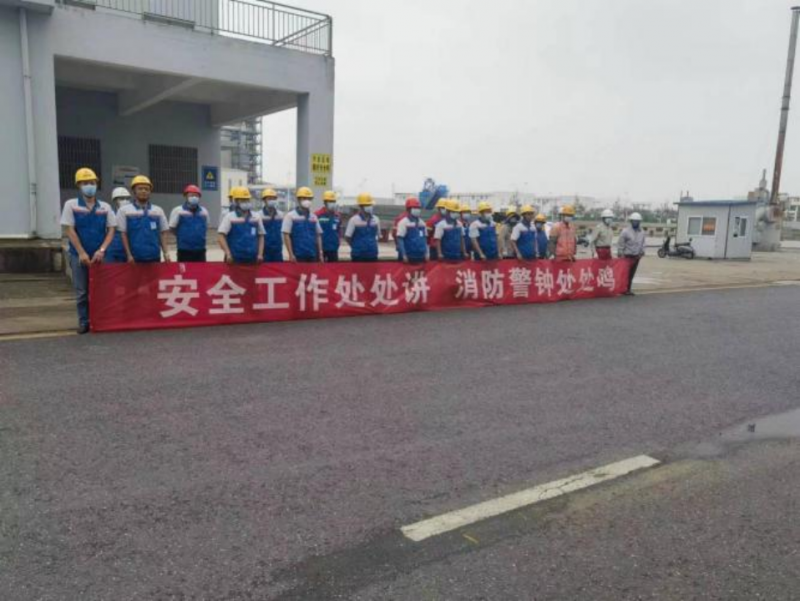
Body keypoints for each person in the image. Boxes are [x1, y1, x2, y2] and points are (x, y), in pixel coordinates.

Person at [60, 167, 116, 334]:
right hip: (78, 256)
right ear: (79, 185)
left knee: (101, 290)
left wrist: (102, 250)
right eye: (85, 183)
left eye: (91, 182)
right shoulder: (71, 205)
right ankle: (84, 321)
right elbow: (69, 230)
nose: (89, 186)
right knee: (82, 291)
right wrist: (81, 252)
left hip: (100, 255)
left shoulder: (105, 207)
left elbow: (111, 230)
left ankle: (100, 320)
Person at [117, 175, 171, 264]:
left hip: (154, 256)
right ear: (134, 191)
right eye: (140, 188)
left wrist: (166, 253)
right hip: (134, 258)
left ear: (150, 192)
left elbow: (163, 233)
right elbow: (123, 234)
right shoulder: (124, 211)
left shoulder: (158, 210)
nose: (143, 191)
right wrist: (129, 255)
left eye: (146, 189)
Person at [217, 187, 265, 264]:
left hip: (253, 258)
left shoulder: (256, 216)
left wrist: (260, 254)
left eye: (247, 199)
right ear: (236, 201)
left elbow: (261, 235)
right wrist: (228, 253)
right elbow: (221, 235)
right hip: (234, 258)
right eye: (242, 200)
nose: (246, 202)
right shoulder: (229, 217)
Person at [168, 184, 209, 263]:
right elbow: (172, 228)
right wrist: (182, 235)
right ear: (185, 196)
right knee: (184, 270)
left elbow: (206, 226)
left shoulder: (204, 212)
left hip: (200, 249)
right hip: (184, 249)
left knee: (200, 270)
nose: (194, 197)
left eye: (196, 195)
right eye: (191, 195)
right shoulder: (178, 211)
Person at [282, 187, 323, 263]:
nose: (307, 200)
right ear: (298, 199)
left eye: (309, 199)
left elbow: (318, 235)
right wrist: (291, 254)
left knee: (312, 271)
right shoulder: (290, 216)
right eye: (304, 198)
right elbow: (286, 236)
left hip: (312, 254)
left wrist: (320, 253)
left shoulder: (314, 217)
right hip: (298, 255)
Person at [345, 193, 381, 263]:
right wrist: (355, 246)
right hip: (358, 255)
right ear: (361, 207)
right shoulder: (354, 220)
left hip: (372, 254)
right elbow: (347, 237)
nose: (370, 207)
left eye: (370, 205)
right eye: (367, 205)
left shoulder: (376, 219)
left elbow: (378, 235)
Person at [617, 212, 647, 296]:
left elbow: (643, 243)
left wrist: (642, 252)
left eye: (637, 221)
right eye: (634, 221)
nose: (635, 223)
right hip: (627, 256)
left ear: (639, 222)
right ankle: (622, 289)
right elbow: (620, 244)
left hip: (636, 256)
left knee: (631, 274)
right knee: (625, 274)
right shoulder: (625, 232)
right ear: (631, 221)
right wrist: (620, 254)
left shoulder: (642, 232)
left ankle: (628, 289)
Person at [395, 197, 428, 264]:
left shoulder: (422, 223)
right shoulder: (403, 222)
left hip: (420, 256)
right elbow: (400, 239)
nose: (417, 210)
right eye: (415, 208)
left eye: (418, 208)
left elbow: (424, 239)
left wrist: (426, 253)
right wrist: (404, 255)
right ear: (409, 209)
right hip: (408, 256)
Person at [106, 187, 131, 263]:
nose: (125, 201)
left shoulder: (133, 215)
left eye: (127, 198)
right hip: (112, 251)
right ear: (115, 200)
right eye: (122, 199)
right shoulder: (110, 214)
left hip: (128, 251)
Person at [315, 190, 342, 262]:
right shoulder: (317, 215)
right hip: (320, 249)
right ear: (325, 202)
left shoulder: (337, 215)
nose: (332, 203)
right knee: (320, 268)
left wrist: (338, 242)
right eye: (330, 201)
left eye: (333, 201)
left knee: (333, 268)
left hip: (333, 249)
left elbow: (339, 230)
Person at [260, 188, 285, 263]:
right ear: (264, 200)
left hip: (277, 250)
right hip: (264, 250)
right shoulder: (259, 215)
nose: (272, 200)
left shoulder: (281, 215)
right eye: (269, 198)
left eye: (273, 198)